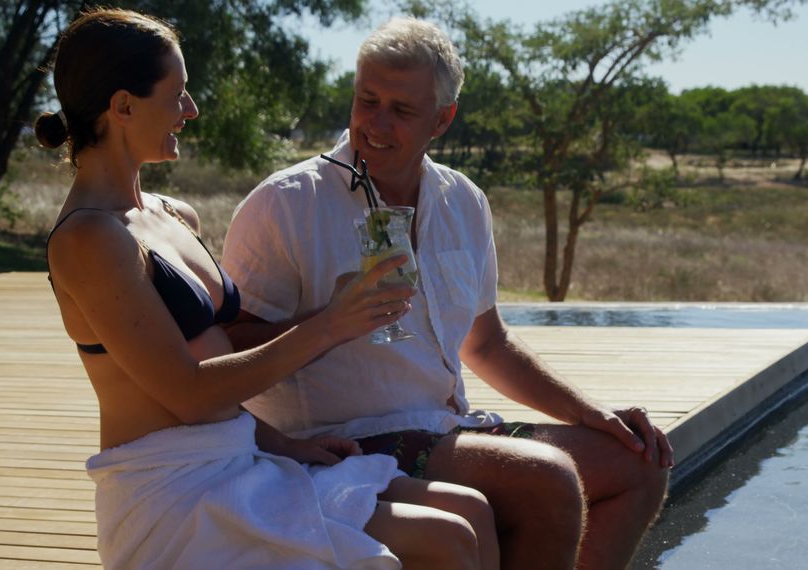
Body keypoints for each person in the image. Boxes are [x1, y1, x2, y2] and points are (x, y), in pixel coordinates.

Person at [38, 8, 499, 569]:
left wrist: (287, 445)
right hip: (174, 488)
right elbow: (187, 393)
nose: (191, 109)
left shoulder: (171, 214)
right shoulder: (88, 238)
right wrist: (331, 323)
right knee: (447, 540)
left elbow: (216, 374)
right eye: (178, 94)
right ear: (124, 106)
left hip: (242, 455)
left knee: (470, 513)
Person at [222, 16, 673, 569]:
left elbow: (486, 346)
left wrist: (591, 411)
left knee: (639, 463)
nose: (376, 123)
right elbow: (231, 349)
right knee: (546, 480)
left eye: (401, 109)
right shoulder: (286, 204)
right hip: (343, 442)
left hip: (447, 429)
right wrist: (329, 321)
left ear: (443, 119)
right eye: (367, 100)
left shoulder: (463, 200)